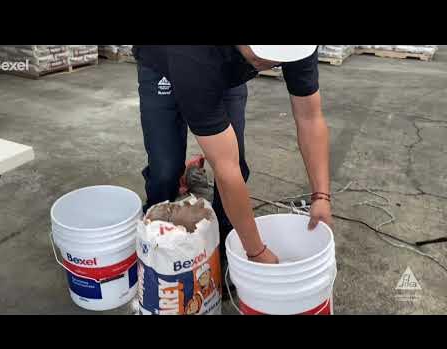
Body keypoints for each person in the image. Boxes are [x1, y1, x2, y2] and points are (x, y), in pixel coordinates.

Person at [133, 45, 332, 265]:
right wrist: (257, 251)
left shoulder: (297, 48)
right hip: (164, 62)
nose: (269, 63)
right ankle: (157, 238)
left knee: (236, 160)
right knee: (166, 168)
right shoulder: (193, 56)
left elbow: (310, 117)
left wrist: (321, 196)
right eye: (262, 55)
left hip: (221, 65)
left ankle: (228, 240)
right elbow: (224, 165)